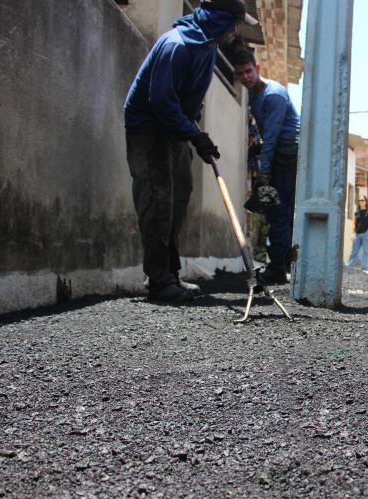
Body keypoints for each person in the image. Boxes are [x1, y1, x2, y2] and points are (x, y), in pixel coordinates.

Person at [124, 0, 257, 302]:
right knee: (158, 200)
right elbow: (161, 102)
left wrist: (194, 129)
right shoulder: (178, 46)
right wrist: (194, 134)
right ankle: (158, 282)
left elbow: (190, 97)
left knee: (179, 194)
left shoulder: (207, 46)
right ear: (220, 19)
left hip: (175, 128)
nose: (236, 31)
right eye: (235, 23)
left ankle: (171, 274)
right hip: (149, 127)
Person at [232, 49, 301, 285]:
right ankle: (278, 266)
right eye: (240, 73)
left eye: (248, 71)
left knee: (280, 212)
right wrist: (258, 146)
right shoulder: (253, 95)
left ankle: (278, 268)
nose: (245, 77)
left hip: (288, 159)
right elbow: (265, 136)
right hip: (275, 157)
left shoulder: (274, 95)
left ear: (257, 68)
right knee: (274, 213)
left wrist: (263, 174)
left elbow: (272, 138)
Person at [346, 195, 368, 271]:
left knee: (366, 251)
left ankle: (364, 268)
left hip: (366, 233)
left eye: (362, 200)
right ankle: (349, 267)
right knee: (354, 251)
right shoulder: (357, 212)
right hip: (357, 233)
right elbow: (354, 224)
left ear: (366, 202)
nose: (361, 202)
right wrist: (352, 234)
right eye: (359, 200)